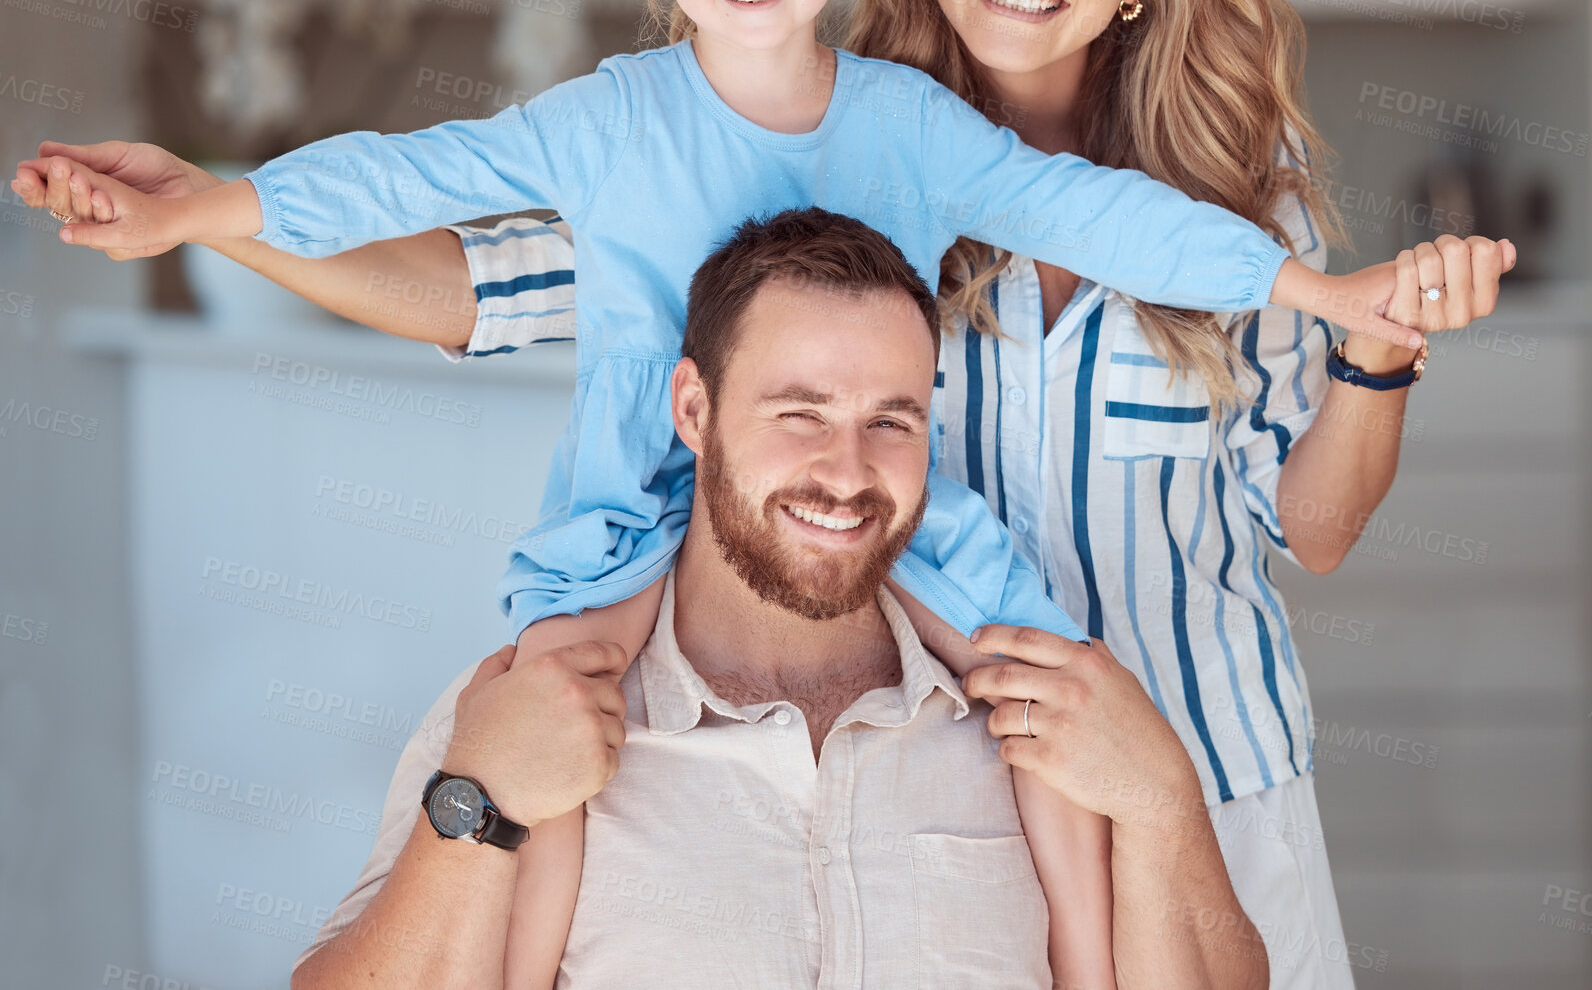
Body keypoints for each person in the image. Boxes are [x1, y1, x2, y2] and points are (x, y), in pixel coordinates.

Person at [9, 0, 1492, 985]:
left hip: (1199, 771)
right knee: (543, 749)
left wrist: (1343, 306)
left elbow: (1261, 434)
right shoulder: (698, 134)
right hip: (780, 631)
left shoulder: (1070, 173)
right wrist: (209, 208)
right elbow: (445, 230)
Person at [290, 207, 1269, 990]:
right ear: (692, 410)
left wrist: (1163, 800)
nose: (845, 473)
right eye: (798, 413)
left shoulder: (1043, 724)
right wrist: (478, 802)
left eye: (890, 419)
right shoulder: (520, 712)